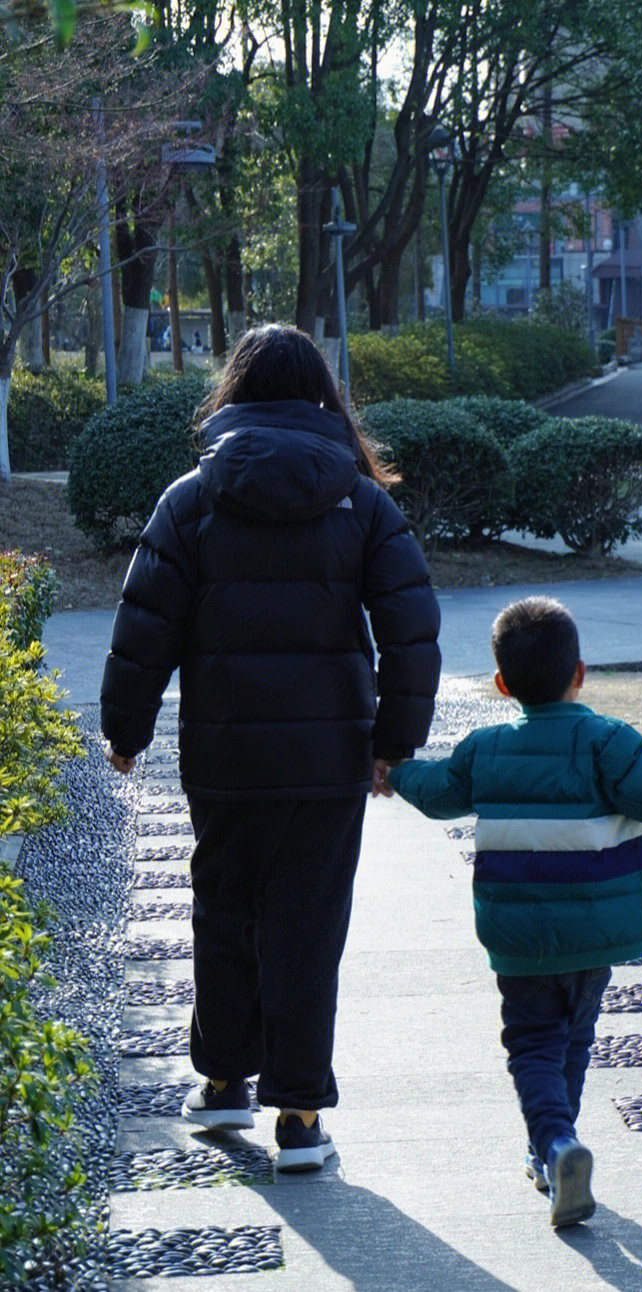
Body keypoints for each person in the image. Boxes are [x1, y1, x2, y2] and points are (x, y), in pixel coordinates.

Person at [101, 323, 441, 1172]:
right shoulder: (362, 502)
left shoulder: (191, 498)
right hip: (328, 761)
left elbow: (144, 628)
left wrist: (126, 730)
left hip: (224, 759)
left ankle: (221, 1086)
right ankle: (297, 1116)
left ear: (233, 393)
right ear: (325, 396)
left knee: (222, 912)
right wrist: (395, 743)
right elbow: (411, 631)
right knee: (307, 927)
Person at [377, 597, 642, 1227]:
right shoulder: (610, 742)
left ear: (501, 685)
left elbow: (439, 793)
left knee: (533, 1044)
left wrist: (396, 774)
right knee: (573, 1036)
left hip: (520, 936)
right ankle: (555, 1147)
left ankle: (554, 1146)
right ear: (581, 672)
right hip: (595, 933)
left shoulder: (484, 749)